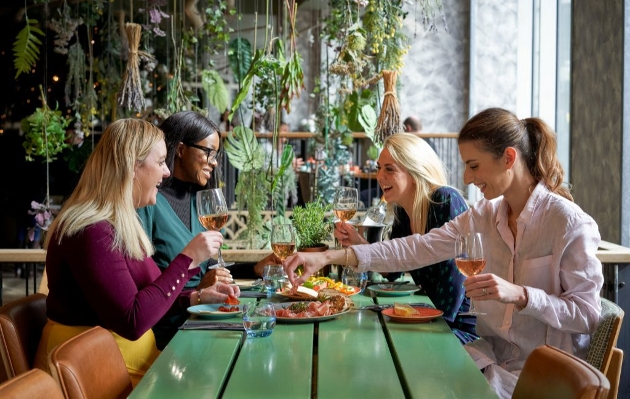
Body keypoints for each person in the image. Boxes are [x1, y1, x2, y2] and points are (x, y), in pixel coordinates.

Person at [284, 107, 604, 399]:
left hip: (543, 380)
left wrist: (521, 295)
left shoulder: (569, 223)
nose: (466, 178)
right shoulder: (482, 216)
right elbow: (416, 248)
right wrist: (326, 257)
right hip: (488, 361)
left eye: (473, 165)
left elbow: (589, 316)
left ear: (508, 158)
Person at [34, 119, 241, 386]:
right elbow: (132, 320)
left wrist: (196, 297)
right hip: (89, 372)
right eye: (160, 162)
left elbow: (150, 295)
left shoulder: (118, 223)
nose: (167, 172)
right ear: (132, 167)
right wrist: (187, 259)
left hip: (125, 361)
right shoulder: (90, 230)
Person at [136, 111, 279, 349]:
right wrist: (200, 287)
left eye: (216, 155)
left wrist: (253, 269)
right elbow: (144, 289)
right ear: (181, 150)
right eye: (208, 152)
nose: (214, 161)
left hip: (204, 320)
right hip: (170, 334)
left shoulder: (198, 201)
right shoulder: (149, 202)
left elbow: (206, 270)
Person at [336, 133, 477, 343]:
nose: (379, 176)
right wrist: (359, 243)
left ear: (413, 170)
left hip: (459, 326)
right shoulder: (403, 212)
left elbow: (457, 280)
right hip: (429, 317)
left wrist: (430, 329)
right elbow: (393, 271)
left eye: (389, 169)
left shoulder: (445, 199)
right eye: (379, 168)